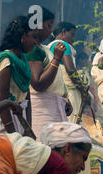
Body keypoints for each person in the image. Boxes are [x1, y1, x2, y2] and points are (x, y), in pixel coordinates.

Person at [48, 22, 93, 174]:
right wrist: (84, 91)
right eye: (71, 34)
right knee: (74, 139)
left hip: (60, 94)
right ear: (63, 32)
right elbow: (71, 69)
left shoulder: (47, 48)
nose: (73, 39)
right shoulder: (62, 46)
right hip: (72, 93)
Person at [25, 7, 72, 141]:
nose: (51, 31)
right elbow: (38, 84)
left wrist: (64, 99)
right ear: (37, 26)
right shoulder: (33, 51)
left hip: (53, 110)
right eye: (49, 25)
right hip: (43, 112)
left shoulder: (44, 49)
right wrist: (57, 58)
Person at [0, 16, 35, 136]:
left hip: (21, 118)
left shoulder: (22, 61)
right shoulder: (6, 60)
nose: (35, 42)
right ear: (23, 37)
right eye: (33, 37)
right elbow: (2, 101)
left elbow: (27, 98)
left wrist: (28, 129)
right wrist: (13, 134)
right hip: (6, 121)